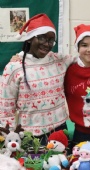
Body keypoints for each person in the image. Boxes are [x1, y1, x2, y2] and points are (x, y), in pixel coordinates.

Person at [0, 14, 75, 144]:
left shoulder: (60, 60)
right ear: (29, 39)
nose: (47, 44)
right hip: (29, 136)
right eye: (42, 38)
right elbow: (6, 109)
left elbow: (86, 58)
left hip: (60, 132)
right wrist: (9, 138)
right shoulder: (14, 68)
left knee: (61, 164)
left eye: (51, 40)